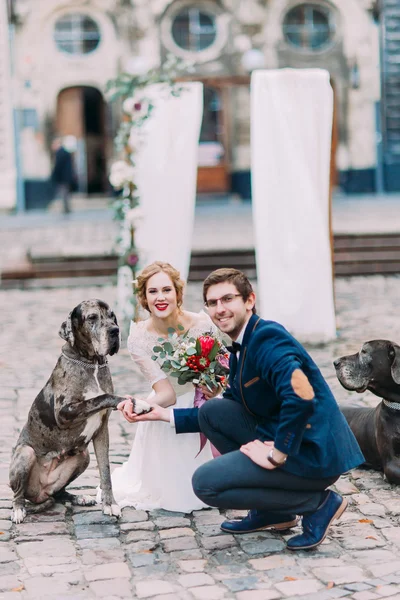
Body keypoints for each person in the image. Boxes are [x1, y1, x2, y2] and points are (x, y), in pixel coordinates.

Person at [122, 268, 364, 551]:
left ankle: (318, 504)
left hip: (312, 453)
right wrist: (162, 414)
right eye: (212, 303)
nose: (220, 309)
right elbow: (231, 406)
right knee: (215, 411)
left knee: (205, 483)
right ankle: (273, 512)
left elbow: (300, 396)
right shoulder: (241, 345)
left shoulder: (269, 338)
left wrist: (276, 454)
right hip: (279, 436)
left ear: (249, 300)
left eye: (227, 299)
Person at [101, 261, 221, 512]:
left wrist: (213, 389)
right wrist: (140, 407)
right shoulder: (139, 338)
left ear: (178, 293)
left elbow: (218, 376)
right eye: (152, 292)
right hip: (168, 404)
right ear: (144, 298)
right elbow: (166, 393)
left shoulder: (203, 325)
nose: (160, 297)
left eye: (166, 290)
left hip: (204, 404)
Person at [51, 136, 77, 214]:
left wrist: (54, 175)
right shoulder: (65, 152)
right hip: (66, 177)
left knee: (64, 193)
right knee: (65, 193)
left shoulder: (60, 152)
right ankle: (67, 209)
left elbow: (58, 166)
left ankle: (66, 209)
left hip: (63, 178)